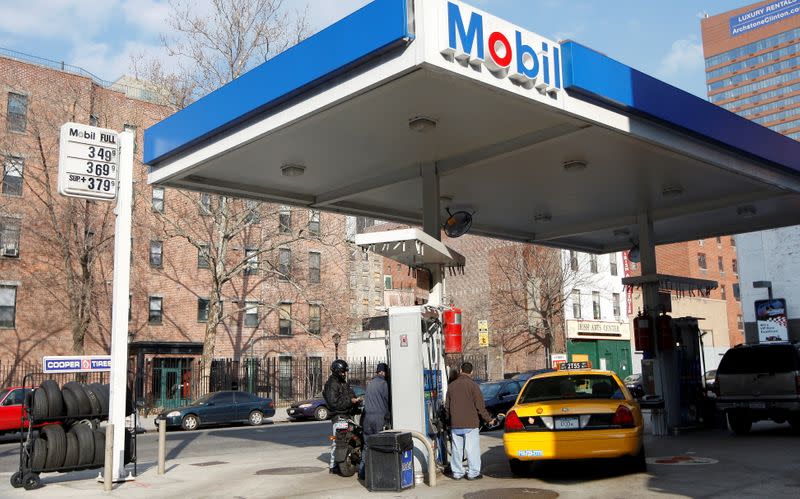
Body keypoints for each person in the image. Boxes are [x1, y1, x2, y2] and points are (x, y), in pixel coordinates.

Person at [445, 362, 496, 481]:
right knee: (472, 449)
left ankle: (457, 473)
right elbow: (480, 407)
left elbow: (447, 407)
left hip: (455, 423)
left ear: (460, 370)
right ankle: (473, 473)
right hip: (470, 423)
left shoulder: (452, 386)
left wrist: (449, 421)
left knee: (456, 449)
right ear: (471, 372)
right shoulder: (473, 386)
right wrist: (489, 419)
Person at [323, 359, 359, 474]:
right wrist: (350, 400)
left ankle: (348, 460)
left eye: (345, 372)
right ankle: (333, 466)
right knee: (337, 442)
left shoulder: (343, 382)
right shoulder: (332, 384)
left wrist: (355, 400)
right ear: (337, 371)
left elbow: (350, 393)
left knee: (350, 438)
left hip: (348, 414)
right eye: (343, 372)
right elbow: (334, 403)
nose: (344, 374)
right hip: (338, 416)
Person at [359, 362, 391, 480]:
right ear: (384, 372)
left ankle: (362, 473)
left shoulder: (370, 383)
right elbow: (386, 401)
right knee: (379, 446)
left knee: (367, 445)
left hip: (367, 419)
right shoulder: (384, 384)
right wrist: (387, 417)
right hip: (378, 419)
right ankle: (378, 474)